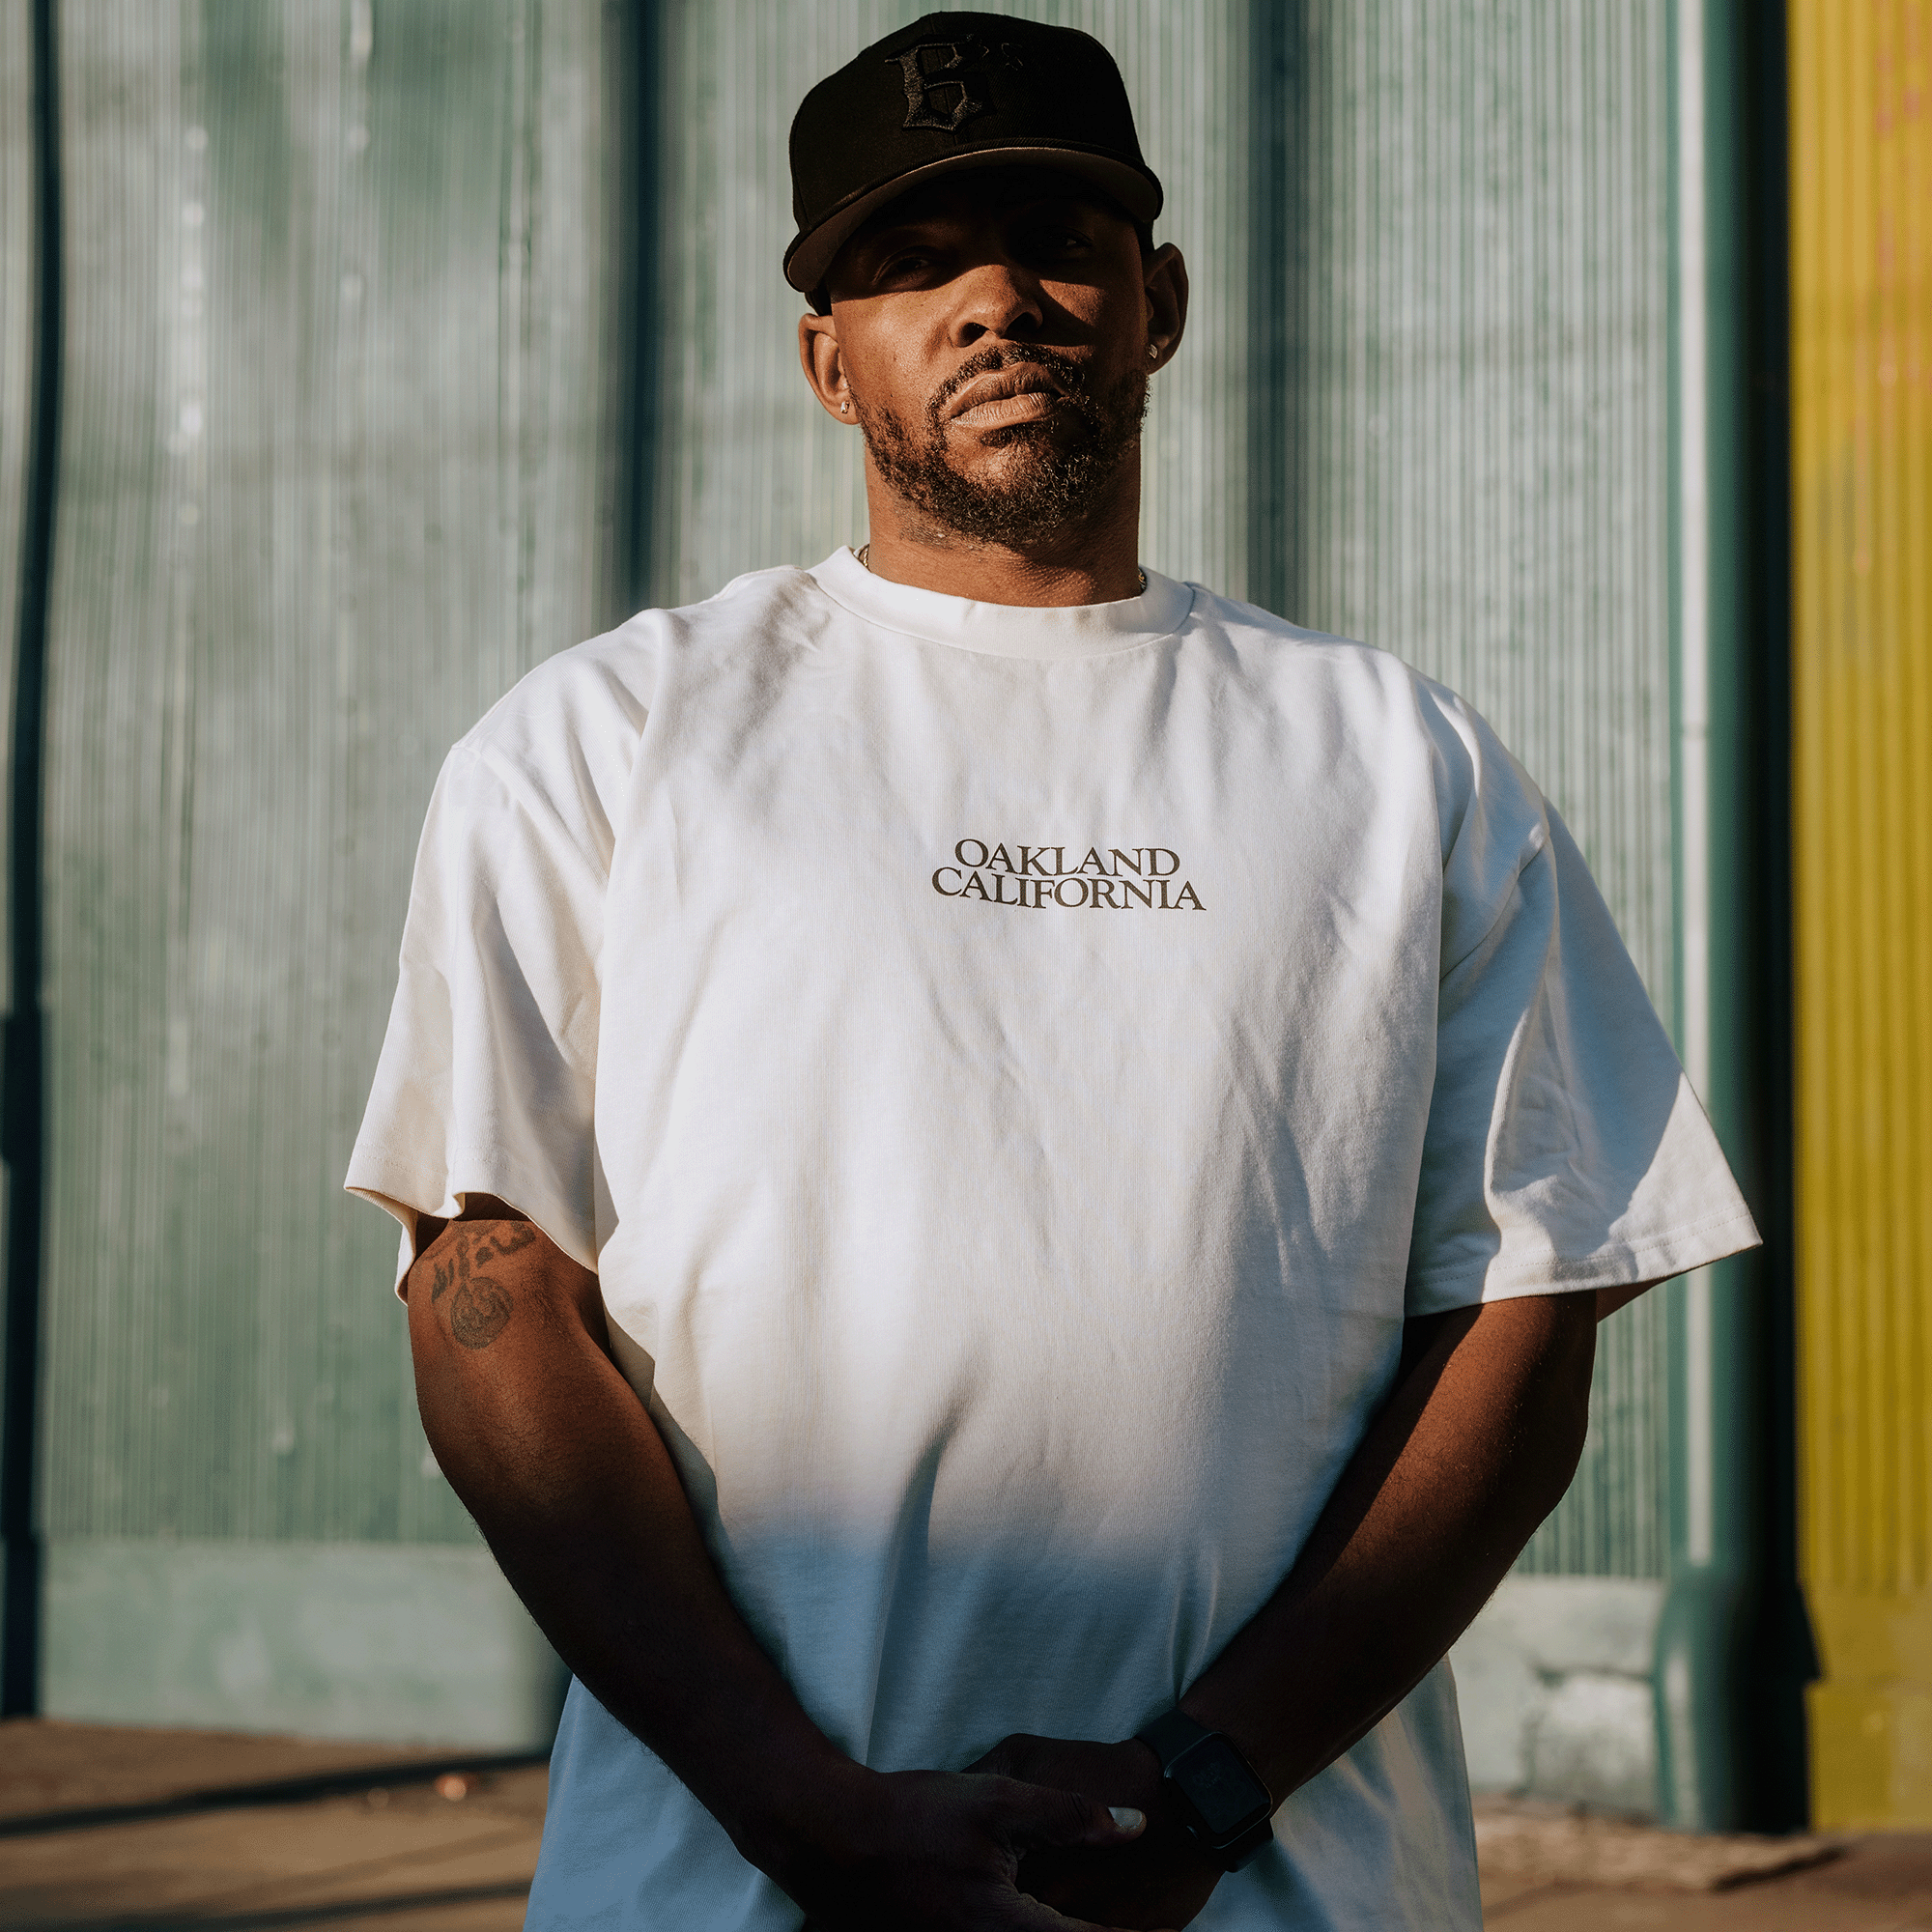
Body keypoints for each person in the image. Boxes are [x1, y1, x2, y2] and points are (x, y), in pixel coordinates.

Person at [346, 14, 1760, 1929]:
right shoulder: (607, 738)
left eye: (1053, 242)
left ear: (1156, 300)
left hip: (1273, 1885)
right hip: (725, 1887)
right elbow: (488, 1293)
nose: (996, 300)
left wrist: (1204, 1775)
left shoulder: (1396, 760)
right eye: (913, 264)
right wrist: (797, 1804)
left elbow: (1525, 1306)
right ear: (825, 359)